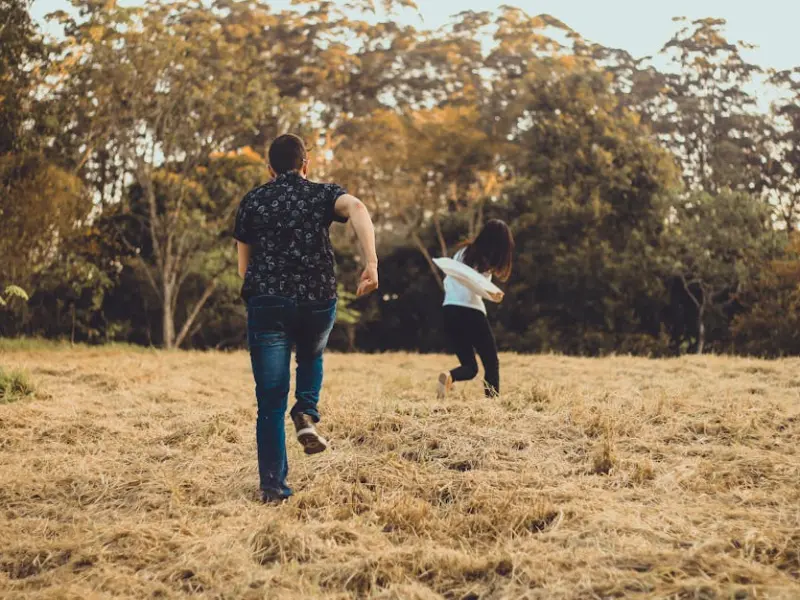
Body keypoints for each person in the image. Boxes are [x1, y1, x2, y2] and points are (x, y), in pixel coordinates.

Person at [234, 134, 378, 504]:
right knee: (311, 355)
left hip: (267, 302)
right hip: (317, 299)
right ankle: (306, 411)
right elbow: (358, 208)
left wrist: (264, 291)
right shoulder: (322, 194)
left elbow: (242, 267)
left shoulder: (252, 201)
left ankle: (273, 487)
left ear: (269, 169)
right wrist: (371, 263)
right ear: (305, 165)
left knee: (269, 400)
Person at [437, 219, 514, 399]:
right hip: (471, 311)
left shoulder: (461, 253)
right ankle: (492, 406)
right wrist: (494, 294)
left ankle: (449, 376)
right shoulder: (484, 261)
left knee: (470, 368)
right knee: (491, 363)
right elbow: (481, 288)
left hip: (449, 310)